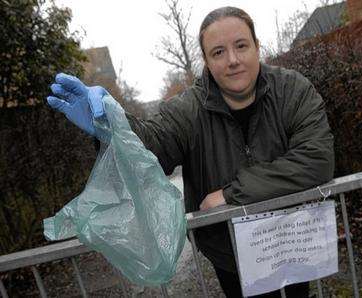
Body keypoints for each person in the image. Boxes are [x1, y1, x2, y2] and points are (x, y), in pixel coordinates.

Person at [47, 6, 334, 298]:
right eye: (218, 52)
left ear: (257, 47)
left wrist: (231, 194)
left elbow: (316, 159)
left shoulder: (294, 90)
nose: (233, 60)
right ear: (207, 61)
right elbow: (152, 149)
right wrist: (109, 123)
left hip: (292, 238)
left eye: (241, 46)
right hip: (229, 252)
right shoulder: (188, 109)